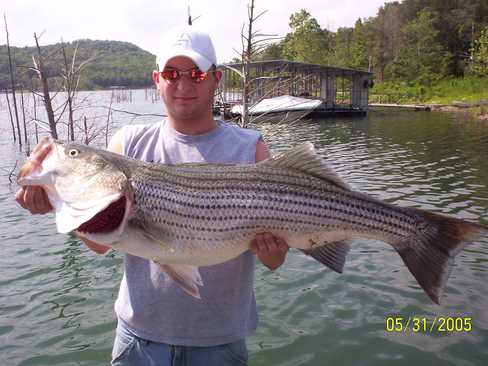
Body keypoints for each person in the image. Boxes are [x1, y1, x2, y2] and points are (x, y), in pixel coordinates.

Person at [16, 26, 289, 365]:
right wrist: (60, 201)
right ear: (156, 79)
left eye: (197, 74)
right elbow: (102, 242)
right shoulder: (128, 144)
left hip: (220, 342)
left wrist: (273, 251)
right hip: (138, 340)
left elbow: (275, 261)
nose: (184, 85)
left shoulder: (250, 148)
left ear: (216, 78)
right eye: (172, 74)